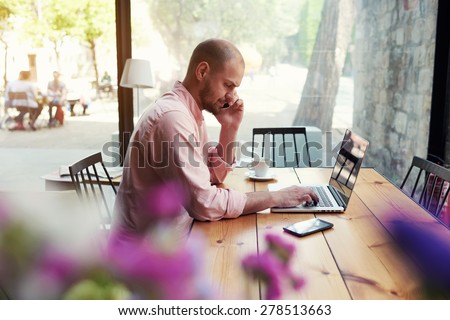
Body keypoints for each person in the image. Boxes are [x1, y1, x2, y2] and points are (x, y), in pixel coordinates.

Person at [112, 39, 318, 237]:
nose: (231, 96)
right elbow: (204, 203)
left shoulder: (189, 113)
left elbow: (212, 176)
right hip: (145, 258)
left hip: (177, 237)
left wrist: (229, 128)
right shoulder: (173, 118)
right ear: (202, 71)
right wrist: (276, 197)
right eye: (228, 85)